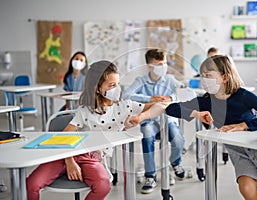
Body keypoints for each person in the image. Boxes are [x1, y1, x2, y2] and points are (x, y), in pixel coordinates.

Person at [165, 55, 257, 200]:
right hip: (239, 153)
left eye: (208, 76)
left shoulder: (243, 96)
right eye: (202, 76)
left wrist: (244, 125)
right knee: (247, 190)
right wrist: (196, 113)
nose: (203, 80)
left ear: (225, 77)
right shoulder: (205, 101)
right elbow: (171, 108)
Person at [26, 60, 165, 200]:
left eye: (117, 84)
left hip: (91, 158)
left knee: (103, 186)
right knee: (31, 183)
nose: (117, 88)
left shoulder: (124, 106)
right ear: (98, 88)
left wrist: (141, 117)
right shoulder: (86, 110)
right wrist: (69, 161)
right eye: (111, 85)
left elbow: (160, 106)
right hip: (68, 153)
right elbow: (66, 133)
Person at [123, 49, 186, 194]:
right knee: (147, 134)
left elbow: (183, 91)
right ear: (150, 66)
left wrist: (171, 98)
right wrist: (149, 99)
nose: (163, 66)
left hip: (168, 119)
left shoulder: (169, 79)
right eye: (159, 64)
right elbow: (126, 95)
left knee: (177, 138)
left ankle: (176, 162)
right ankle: (150, 175)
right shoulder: (141, 81)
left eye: (164, 63)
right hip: (149, 120)